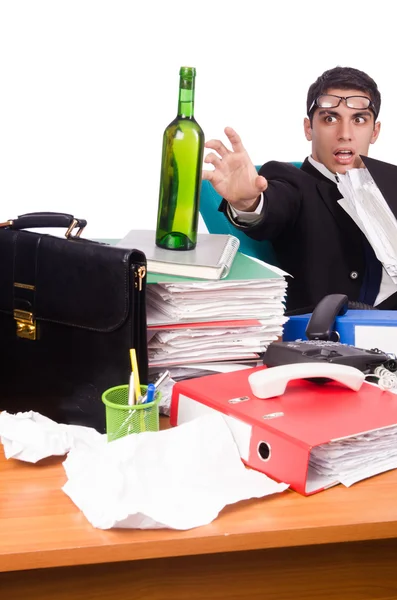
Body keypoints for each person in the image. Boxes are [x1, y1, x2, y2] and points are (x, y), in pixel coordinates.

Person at [203, 66, 397, 313]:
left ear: (375, 131)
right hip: (336, 336)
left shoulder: (389, 187)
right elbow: (273, 206)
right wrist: (249, 201)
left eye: (358, 120)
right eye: (330, 118)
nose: (345, 134)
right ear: (309, 128)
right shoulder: (292, 182)